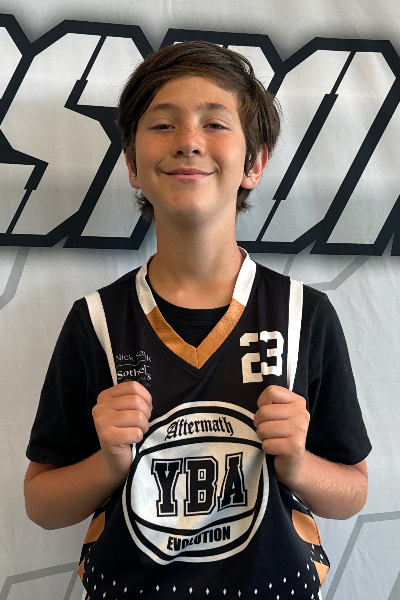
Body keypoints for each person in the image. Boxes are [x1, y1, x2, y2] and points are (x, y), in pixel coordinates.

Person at [24, 41, 371, 600]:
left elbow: (352, 492)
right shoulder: (97, 320)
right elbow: (41, 504)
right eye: (163, 124)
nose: (188, 140)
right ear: (132, 164)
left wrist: (299, 465)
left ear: (254, 163)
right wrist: (108, 463)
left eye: (215, 123)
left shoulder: (305, 314)